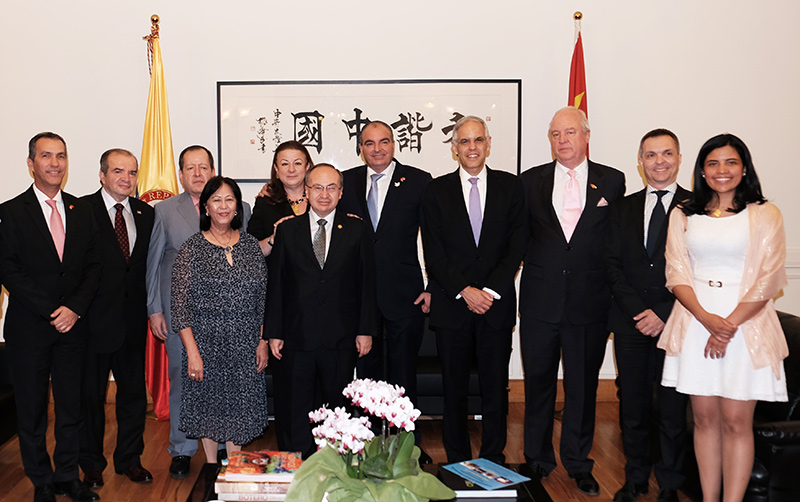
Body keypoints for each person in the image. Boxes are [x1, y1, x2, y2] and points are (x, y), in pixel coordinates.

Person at [659, 133, 788, 502]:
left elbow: (770, 278)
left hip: (746, 328)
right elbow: (676, 273)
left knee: (735, 421)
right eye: (713, 163)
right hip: (697, 324)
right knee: (704, 420)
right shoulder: (684, 213)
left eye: (730, 162)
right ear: (701, 170)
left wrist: (727, 324)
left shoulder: (765, 213)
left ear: (744, 167)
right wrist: (707, 320)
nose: (722, 170)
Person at [520, 107, 625, 495]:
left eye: (569, 133)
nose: (562, 141)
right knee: (538, 384)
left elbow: (616, 242)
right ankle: (536, 459)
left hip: (589, 302)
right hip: (539, 303)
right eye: (555, 134)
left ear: (586, 135)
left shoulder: (611, 182)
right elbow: (520, 238)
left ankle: (579, 463)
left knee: (582, 387)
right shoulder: (530, 182)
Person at [0, 132, 101, 502]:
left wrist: (73, 308)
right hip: (30, 327)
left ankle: (66, 477)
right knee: (32, 409)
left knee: (71, 407)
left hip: (74, 326)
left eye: (61, 156)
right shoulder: (10, 212)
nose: (55, 163)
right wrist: (50, 309)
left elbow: (94, 266)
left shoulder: (82, 210)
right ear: (31, 164)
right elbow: (9, 270)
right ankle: (41, 479)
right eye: (46, 156)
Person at [421, 115, 528, 464]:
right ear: (454, 148)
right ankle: (456, 459)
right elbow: (434, 253)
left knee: (495, 389)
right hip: (453, 308)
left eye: (478, 140)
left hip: (495, 307)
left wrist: (490, 291)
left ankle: (494, 457)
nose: (471, 147)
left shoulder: (512, 188)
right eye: (464, 141)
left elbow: (517, 246)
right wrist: (465, 290)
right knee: (455, 391)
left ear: (488, 143)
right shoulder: (436, 191)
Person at [146, 145, 251, 478]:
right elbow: (153, 264)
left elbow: (246, 259)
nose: (197, 174)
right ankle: (182, 448)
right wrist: (154, 310)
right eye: (189, 168)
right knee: (184, 379)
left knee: (222, 380)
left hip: (227, 317)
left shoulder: (241, 207)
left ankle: (220, 446)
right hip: (181, 316)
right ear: (180, 174)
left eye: (203, 167)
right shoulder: (164, 211)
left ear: (212, 169)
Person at [266, 163, 377, 458]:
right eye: (317, 187)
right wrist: (273, 332)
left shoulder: (356, 229)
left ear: (341, 193)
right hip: (295, 336)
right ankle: (294, 465)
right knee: (294, 406)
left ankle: (337, 463)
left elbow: (367, 284)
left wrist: (365, 330)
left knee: (338, 405)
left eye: (331, 188)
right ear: (306, 191)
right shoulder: (287, 230)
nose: (323, 194)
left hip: (341, 338)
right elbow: (277, 285)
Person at [339, 121, 432, 461]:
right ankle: (368, 446)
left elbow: (435, 236)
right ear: (360, 147)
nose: (376, 149)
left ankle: (410, 448)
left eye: (383, 142)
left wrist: (433, 285)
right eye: (368, 143)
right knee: (366, 377)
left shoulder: (419, 181)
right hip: (359, 297)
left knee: (405, 375)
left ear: (394, 144)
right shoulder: (345, 181)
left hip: (405, 293)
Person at [605, 130, 690, 502]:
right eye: (651, 155)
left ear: (679, 158)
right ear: (639, 162)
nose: (659, 162)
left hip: (679, 322)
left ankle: (670, 484)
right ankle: (636, 478)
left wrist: (663, 312)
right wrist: (639, 311)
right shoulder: (623, 207)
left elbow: (701, 271)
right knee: (633, 407)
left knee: (672, 410)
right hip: (630, 323)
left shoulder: (698, 206)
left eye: (666, 154)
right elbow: (611, 265)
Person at [171, 176, 269, 463]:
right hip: (205, 343)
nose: (223, 206)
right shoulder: (192, 248)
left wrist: (262, 341)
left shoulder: (251, 246)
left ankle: (234, 472)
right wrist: (192, 353)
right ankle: (212, 469)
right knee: (208, 410)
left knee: (240, 411)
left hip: (246, 342)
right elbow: (180, 306)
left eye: (229, 199)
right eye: (216, 200)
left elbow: (263, 298)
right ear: (206, 207)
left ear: (237, 206)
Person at [79, 149, 155, 489]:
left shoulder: (146, 213)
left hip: (132, 323)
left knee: (133, 397)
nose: (126, 178)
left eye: (132, 172)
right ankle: (92, 463)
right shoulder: (81, 210)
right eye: (118, 171)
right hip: (91, 324)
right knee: (91, 398)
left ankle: (129, 459)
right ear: (102, 174)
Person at [247, 140, 312, 256]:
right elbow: (251, 250)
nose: (291, 169)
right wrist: (272, 239)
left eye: (297, 163)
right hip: (277, 272)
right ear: (276, 169)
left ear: (307, 167)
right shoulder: (265, 202)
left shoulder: (320, 199)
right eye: (284, 164)